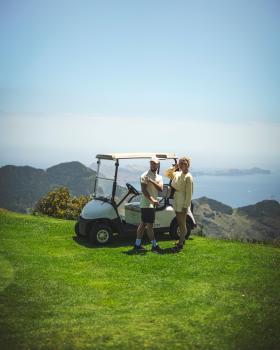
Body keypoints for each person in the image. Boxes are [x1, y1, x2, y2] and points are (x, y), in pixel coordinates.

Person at [133, 156, 163, 253]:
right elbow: (144, 190)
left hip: (151, 205)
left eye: (154, 163)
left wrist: (151, 181)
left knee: (142, 224)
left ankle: (137, 244)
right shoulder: (144, 175)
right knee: (149, 225)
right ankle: (154, 246)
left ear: (158, 165)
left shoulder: (159, 177)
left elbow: (160, 189)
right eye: (151, 163)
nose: (152, 164)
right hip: (147, 204)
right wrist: (152, 200)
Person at [164, 156, 194, 252]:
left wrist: (186, 206)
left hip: (182, 201)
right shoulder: (177, 173)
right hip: (176, 199)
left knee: (181, 223)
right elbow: (167, 173)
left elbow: (189, 193)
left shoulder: (188, 177)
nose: (182, 165)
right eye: (180, 163)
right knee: (180, 222)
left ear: (188, 164)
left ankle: (180, 243)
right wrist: (175, 167)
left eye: (184, 163)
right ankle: (182, 240)